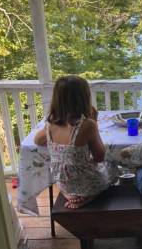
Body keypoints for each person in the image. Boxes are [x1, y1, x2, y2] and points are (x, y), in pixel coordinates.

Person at [34, 75, 116, 208]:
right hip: (88, 182)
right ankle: (89, 196)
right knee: (113, 166)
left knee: (71, 174)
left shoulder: (50, 123)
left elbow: (37, 140)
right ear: (84, 98)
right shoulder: (87, 125)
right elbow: (99, 157)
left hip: (64, 183)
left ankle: (70, 194)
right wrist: (94, 122)